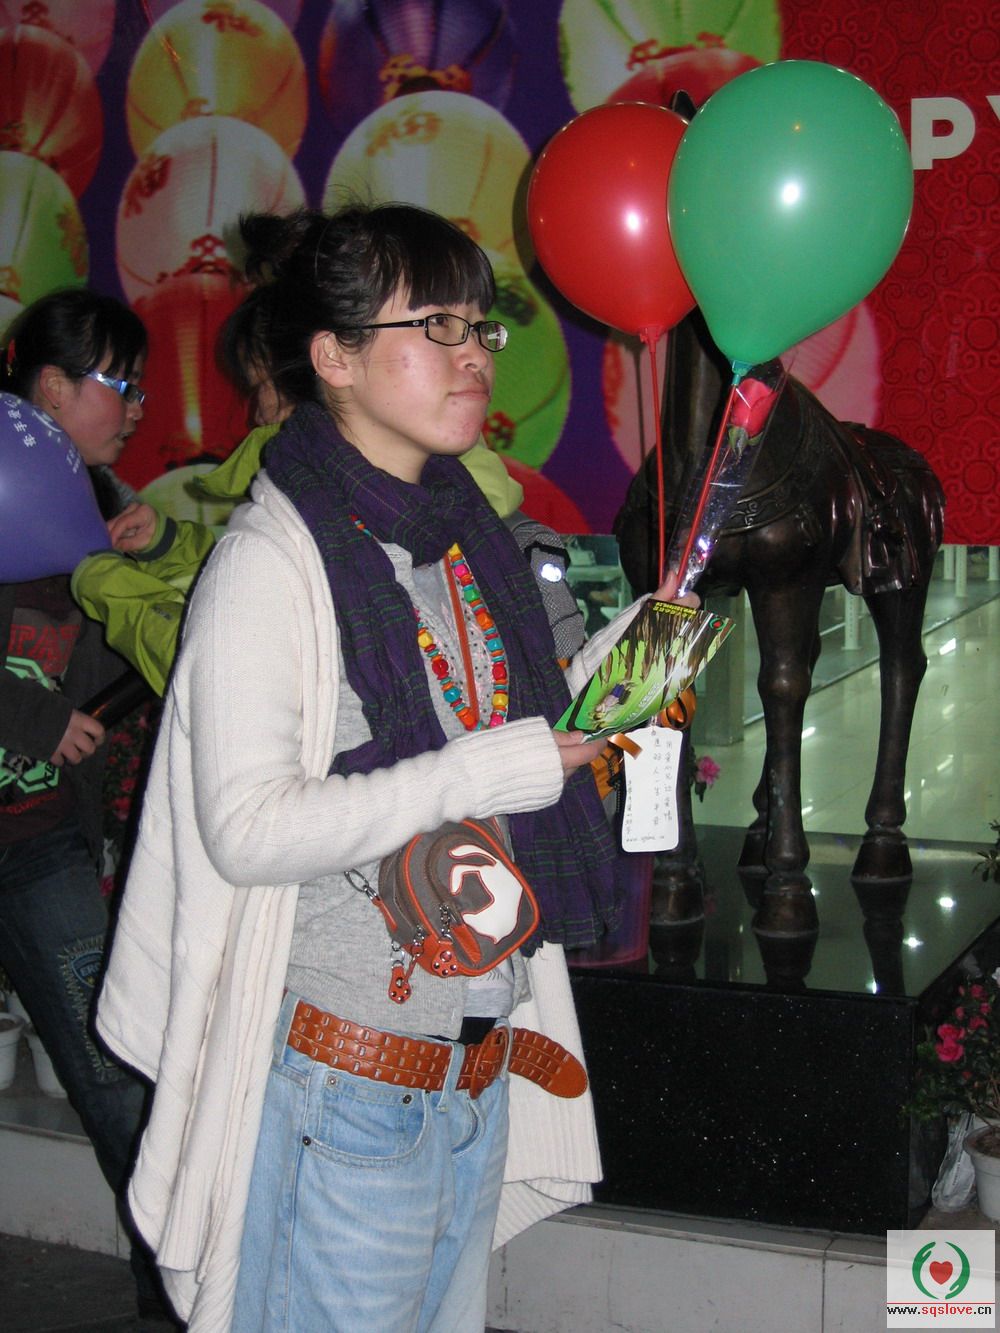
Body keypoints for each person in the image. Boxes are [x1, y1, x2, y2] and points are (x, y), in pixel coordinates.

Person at [96, 203, 681, 1332]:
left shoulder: (460, 539)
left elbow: (521, 723)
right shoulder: (274, 558)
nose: (474, 354)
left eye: (480, 325)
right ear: (336, 357)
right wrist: (488, 770)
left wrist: (637, 652)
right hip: (348, 1092)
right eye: (436, 326)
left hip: (472, 1075)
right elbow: (250, 827)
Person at [0, 287, 182, 1322]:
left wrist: (151, 555)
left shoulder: (109, 503)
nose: (137, 406)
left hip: (41, 839)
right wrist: (32, 719)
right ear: (52, 387)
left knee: (118, 1067)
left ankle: (180, 1286)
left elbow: (137, 656)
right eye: (122, 383)